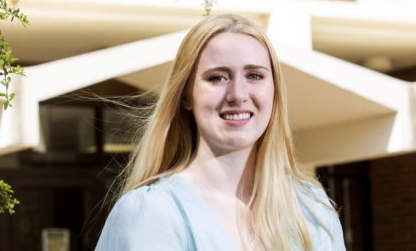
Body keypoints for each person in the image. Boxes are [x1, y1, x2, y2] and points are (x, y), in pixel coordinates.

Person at [96, 14, 345, 251]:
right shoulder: (154, 210)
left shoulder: (312, 209)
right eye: (217, 78)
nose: (237, 94)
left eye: (254, 75)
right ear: (186, 95)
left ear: (274, 92)